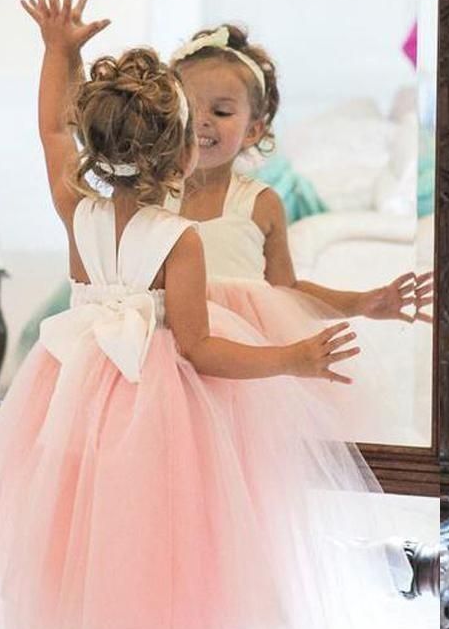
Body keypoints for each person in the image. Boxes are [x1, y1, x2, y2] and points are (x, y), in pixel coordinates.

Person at [0, 0, 417, 629]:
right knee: (224, 539)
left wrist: (57, 52)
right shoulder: (179, 240)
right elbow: (202, 349)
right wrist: (292, 359)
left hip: (74, 396)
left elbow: (47, 128)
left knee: (93, 548)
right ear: (179, 157)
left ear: (95, 147)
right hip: (171, 406)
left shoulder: (76, 211)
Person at [169, 24, 434, 439]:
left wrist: (364, 302)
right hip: (163, 363)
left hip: (241, 374)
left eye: (221, 112)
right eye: (188, 108)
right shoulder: (151, 195)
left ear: (253, 129)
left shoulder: (259, 203)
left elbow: (287, 291)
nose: (201, 121)